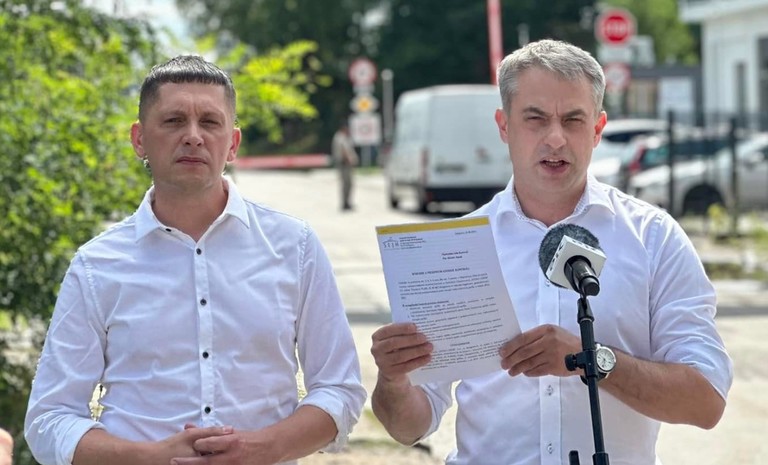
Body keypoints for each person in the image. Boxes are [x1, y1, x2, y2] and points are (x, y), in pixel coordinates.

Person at [370, 39, 733, 464]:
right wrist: (393, 381)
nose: (556, 138)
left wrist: (592, 360)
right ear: (504, 126)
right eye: (536, 119)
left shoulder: (653, 238)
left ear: (597, 129)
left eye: (573, 120)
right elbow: (409, 427)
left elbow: (706, 401)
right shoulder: (457, 249)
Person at [25, 55, 366, 465]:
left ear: (233, 143)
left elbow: (339, 389)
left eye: (209, 122)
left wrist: (261, 449)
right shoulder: (97, 265)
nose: (193, 136)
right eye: (173, 121)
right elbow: (49, 419)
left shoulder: (294, 246)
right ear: (139, 139)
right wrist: (150, 458)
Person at [331, 121, 359, 211]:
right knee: (347, 183)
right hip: (344, 163)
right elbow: (344, 150)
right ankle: (345, 203)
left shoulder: (343, 137)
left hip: (345, 163)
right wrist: (349, 160)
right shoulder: (340, 137)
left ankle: (347, 202)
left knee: (348, 184)